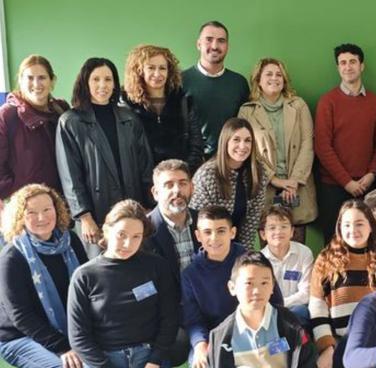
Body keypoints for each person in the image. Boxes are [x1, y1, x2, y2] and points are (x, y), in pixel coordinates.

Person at [68, 200, 181, 368]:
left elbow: (169, 320)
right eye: (121, 235)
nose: (128, 244)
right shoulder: (85, 276)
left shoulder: (156, 266)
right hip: (106, 364)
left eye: (136, 236)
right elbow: (79, 337)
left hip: (149, 358)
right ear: (106, 231)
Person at [181, 206, 282, 368]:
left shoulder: (252, 260)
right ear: (198, 235)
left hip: (256, 330)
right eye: (207, 232)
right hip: (216, 338)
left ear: (232, 232)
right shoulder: (191, 274)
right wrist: (200, 346)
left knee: (282, 353)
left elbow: (277, 302)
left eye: (221, 230)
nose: (214, 238)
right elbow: (193, 318)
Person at [0, 185, 87, 368]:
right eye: (31, 212)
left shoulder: (71, 241)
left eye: (47, 209)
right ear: (20, 217)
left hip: (66, 328)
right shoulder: (12, 257)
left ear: (57, 210)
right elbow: (21, 317)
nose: (41, 218)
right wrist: (64, 347)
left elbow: (89, 289)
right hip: (19, 337)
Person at [56, 58, 154, 257]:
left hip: (133, 206)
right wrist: (84, 217)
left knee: (135, 262)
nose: (103, 85)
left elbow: (145, 165)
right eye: (96, 79)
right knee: (104, 269)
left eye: (108, 79)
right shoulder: (71, 122)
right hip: (96, 213)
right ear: (85, 82)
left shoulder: (129, 118)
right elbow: (70, 176)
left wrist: (148, 204)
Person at [308, 200, 376, 368]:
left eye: (359, 223)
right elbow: (317, 307)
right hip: (339, 342)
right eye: (347, 224)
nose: (353, 230)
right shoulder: (325, 259)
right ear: (339, 227)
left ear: (370, 226)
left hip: (375, 343)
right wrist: (327, 347)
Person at [314, 43, 376, 242]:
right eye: (343, 63)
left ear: (361, 66)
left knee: (369, 241)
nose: (348, 67)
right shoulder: (327, 102)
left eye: (353, 62)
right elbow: (322, 146)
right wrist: (347, 182)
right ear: (338, 68)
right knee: (334, 243)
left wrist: (372, 174)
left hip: (368, 186)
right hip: (334, 187)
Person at [239, 58, 317, 240]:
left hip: (297, 187)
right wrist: (274, 179)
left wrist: (294, 181)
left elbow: (308, 143)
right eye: (269, 74)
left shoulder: (298, 106)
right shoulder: (247, 111)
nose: (274, 78)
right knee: (271, 247)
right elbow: (248, 150)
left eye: (279, 74)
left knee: (297, 249)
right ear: (258, 80)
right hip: (266, 188)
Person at [145, 159, 201, 367]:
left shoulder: (205, 222)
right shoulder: (143, 232)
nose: (177, 190)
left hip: (204, 305)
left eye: (183, 183)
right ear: (155, 192)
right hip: (168, 313)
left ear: (191, 187)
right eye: (168, 185)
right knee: (177, 345)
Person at [190, 118, 271, 248]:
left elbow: (251, 222)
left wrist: (244, 255)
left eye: (247, 140)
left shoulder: (258, 172)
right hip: (210, 245)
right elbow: (200, 223)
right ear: (225, 142)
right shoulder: (207, 175)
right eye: (236, 140)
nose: (243, 146)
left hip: (238, 245)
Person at [121, 44, 203, 171]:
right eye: (151, 68)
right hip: (142, 184)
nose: (157, 74)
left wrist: (182, 174)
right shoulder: (126, 105)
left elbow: (196, 146)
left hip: (179, 181)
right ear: (139, 70)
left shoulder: (183, 101)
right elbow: (125, 151)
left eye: (162, 68)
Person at [0, 55, 70, 199]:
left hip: (61, 204)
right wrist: (15, 193)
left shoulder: (61, 111)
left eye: (42, 77)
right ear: (20, 80)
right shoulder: (8, 115)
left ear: (52, 81)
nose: (36, 84)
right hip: (25, 208)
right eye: (30, 78)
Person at [182, 21, 250, 159]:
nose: (214, 46)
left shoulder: (239, 83)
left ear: (227, 47)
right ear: (198, 44)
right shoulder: (180, 81)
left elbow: (245, 125)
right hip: (193, 162)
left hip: (231, 161)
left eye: (221, 41)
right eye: (209, 40)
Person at [260, 205, 313, 323]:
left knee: (299, 312)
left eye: (284, 227)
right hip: (268, 311)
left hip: (296, 309)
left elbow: (306, 293)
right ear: (263, 234)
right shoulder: (259, 260)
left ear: (292, 232)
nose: (278, 232)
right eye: (272, 228)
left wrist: (281, 304)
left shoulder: (304, 253)